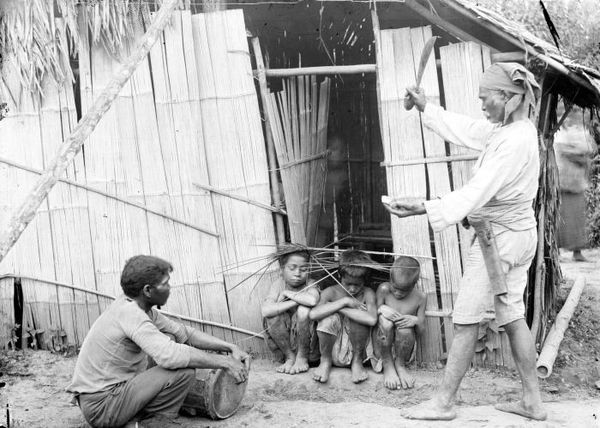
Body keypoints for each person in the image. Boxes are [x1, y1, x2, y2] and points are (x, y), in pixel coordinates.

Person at [385, 62, 546, 421]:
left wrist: (423, 207)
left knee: (465, 319)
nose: (482, 105)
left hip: (500, 241)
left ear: (508, 96)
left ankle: (443, 403)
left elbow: (477, 192)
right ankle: (532, 402)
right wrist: (427, 106)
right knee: (512, 315)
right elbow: (469, 129)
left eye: (485, 98)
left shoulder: (513, 142)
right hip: (518, 236)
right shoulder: (510, 130)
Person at [67, 255, 250, 428]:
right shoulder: (131, 314)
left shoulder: (139, 308)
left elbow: (184, 333)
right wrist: (225, 362)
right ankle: (150, 422)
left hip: (110, 397)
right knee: (182, 370)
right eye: (165, 284)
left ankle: (140, 417)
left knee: (169, 339)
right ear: (147, 290)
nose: (170, 287)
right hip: (102, 407)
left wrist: (230, 347)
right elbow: (170, 356)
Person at [309, 249, 377, 384]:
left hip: (358, 350)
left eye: (357, 285)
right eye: (348, 284)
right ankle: (325, 361)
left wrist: (341, 309)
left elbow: (372, 319)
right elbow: (313, 314)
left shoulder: (367, 293)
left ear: (364, 280)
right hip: (333, 348)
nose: (352, 289)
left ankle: (357, 364)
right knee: (328, 319)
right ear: (340, 276)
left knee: (360, 318)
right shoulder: (331, 292)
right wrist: (344, 302)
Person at [261, 246, 319, 374]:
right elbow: (266, 311)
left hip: (309, 344)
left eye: (303, 269)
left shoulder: (311, 283)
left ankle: (302, 357)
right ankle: (290, 357)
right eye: (292, 268)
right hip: (287, 340)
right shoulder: (278, 284)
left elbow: (312, 300)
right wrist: (294, 300)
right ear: (282, 269)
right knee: (272, 316)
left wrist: (287, 293)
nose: (297, 273)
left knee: (304, 310)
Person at [373, 256, 426, 390]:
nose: (397, 293)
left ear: (415, 284)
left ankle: (400, 365)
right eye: (395, 288)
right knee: (386, 322)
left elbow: (420, 331)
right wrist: (381, 309)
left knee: (405, 329)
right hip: (382, 346)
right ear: (390, 279)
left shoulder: (420, 297)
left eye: (404, 291)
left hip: (403, 348)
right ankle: (388, 364)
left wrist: (416, 320)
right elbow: (372, 318)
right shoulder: (384, 289)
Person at [555, 107, 595, 262]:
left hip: (576, 183)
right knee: (559, 219)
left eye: (578, 114)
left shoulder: (583, 132)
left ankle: (577, 252)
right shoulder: (560, 133)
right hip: (562, 182)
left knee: (577, 220)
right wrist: (578, 154)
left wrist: (579, 154)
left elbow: (589, 149)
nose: (575, 117)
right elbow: (562, 149)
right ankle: (556, 251)